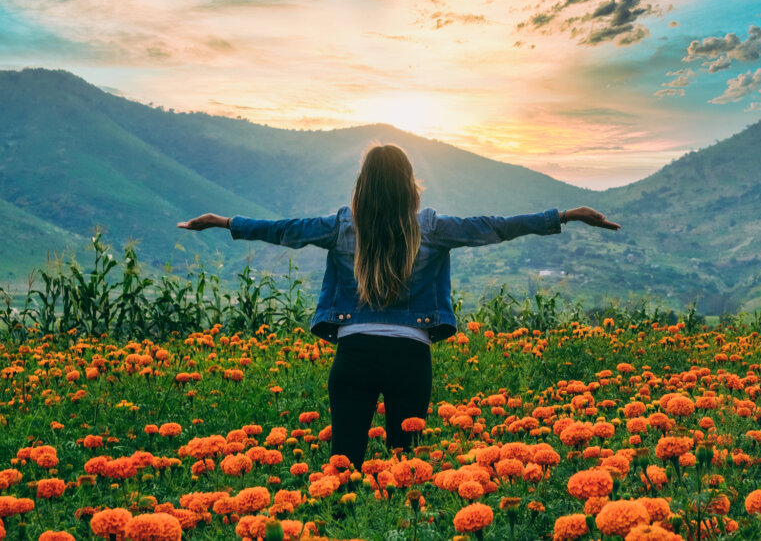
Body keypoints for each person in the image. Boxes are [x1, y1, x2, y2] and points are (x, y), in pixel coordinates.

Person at [177, 143, 620, 469]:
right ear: (411, 185)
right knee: (404, 466)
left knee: (342, 464)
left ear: (362, 185)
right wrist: (564, 214)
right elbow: (496, 227)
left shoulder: (339, 227)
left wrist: (223, 221)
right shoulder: (434, 228)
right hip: (411, 357)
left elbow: (280, 230)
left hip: (353, 355)